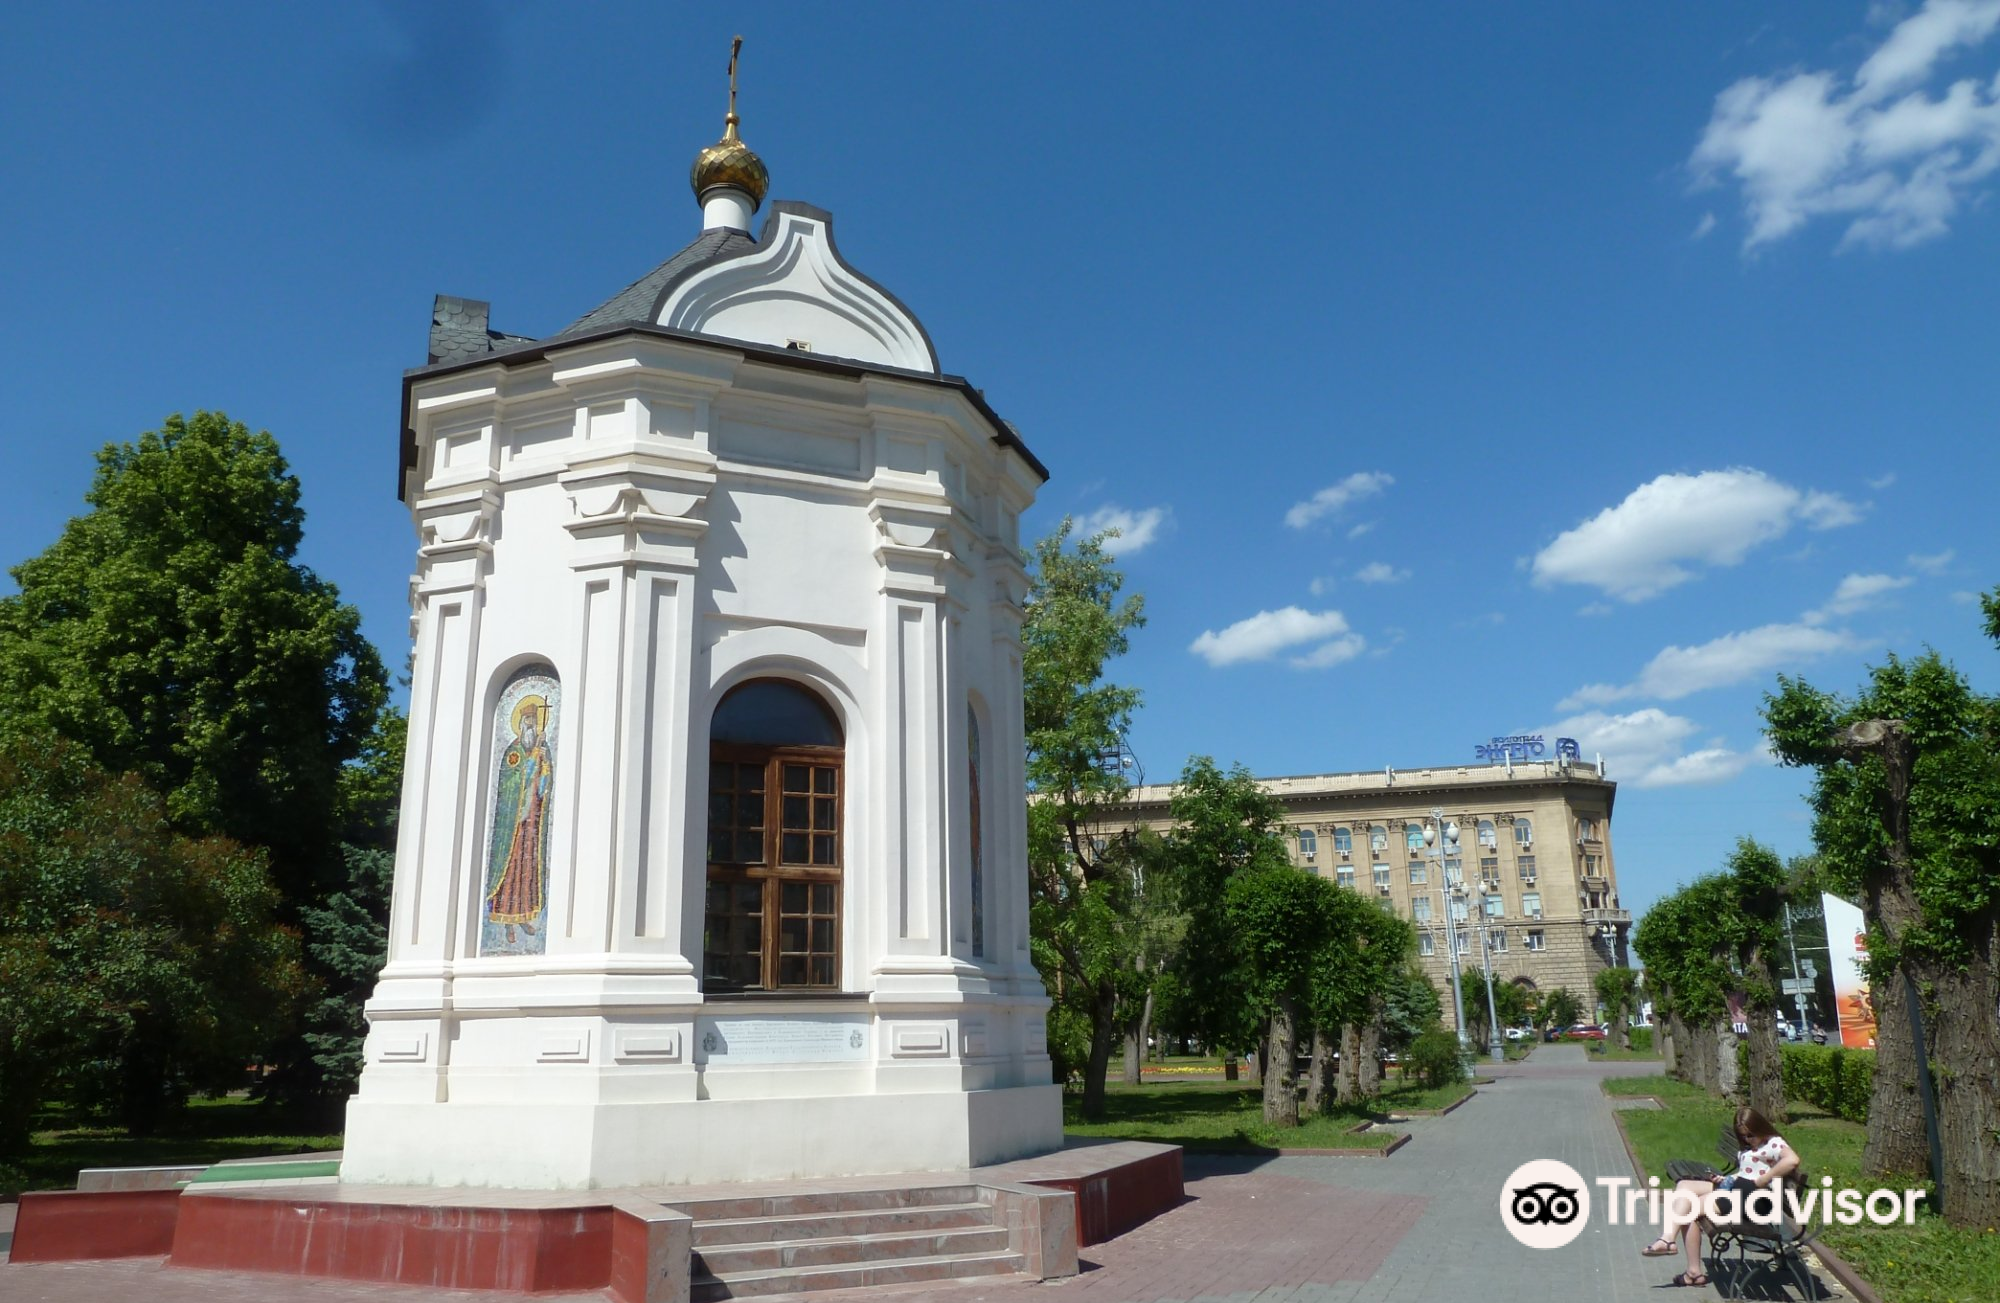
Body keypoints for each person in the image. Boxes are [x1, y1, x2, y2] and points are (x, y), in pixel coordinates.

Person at [1640, 1106, 1799, 1288]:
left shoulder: (1774, 1142)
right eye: (1743, 1136)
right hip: (1739, 1189)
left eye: (1750, 1135)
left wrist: (1763, 1180)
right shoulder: (1753, 1144)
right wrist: (1726, 1179)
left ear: (1760, 1128)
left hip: (1754, 1199)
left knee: (1689, 1209)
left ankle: (1688, 1267)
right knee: (1684, 1186)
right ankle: (1669, 1240)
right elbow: (1750, 1170)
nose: (1747, 1140)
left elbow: (1792, 1160)